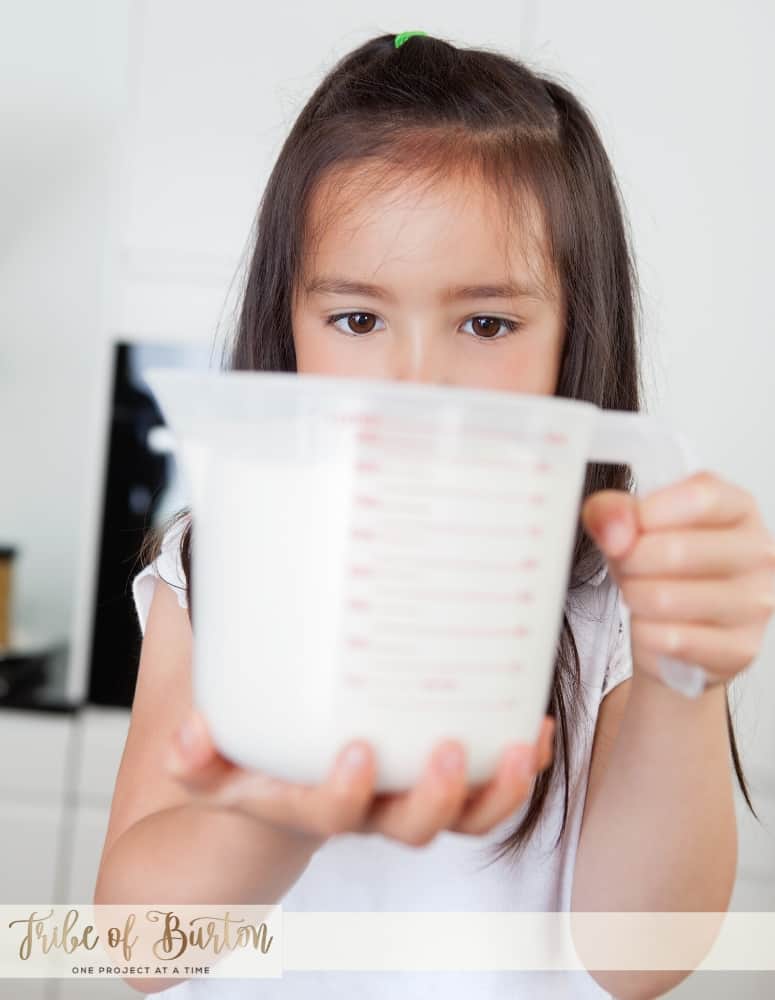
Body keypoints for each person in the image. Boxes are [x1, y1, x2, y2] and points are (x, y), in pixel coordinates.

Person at [94, 30, 775, 999]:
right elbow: (130, 946)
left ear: (571, 337)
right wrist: (287, 812)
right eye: (358, 319)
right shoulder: (220, 568)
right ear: (287, 326)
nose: (415, 386)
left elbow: (643, 954)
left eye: (486, 323)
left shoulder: (612, 596)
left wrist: (685, 674)